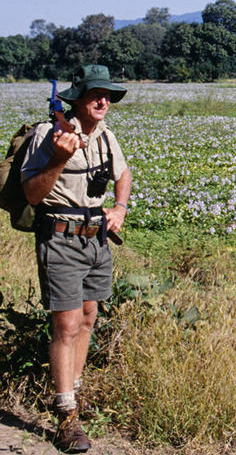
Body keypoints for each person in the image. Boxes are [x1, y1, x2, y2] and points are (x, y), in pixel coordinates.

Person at [21, 64, 131, 453]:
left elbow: (124, 173)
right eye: (95, 95)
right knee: (66, 326)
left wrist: (119, 207)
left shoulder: (105, 136)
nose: (104, 101)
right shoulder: (48, 136)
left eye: (108, 96)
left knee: (87, 318)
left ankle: (75, 394)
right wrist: (57, 160)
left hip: (97, 240)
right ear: (78, 98)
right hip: (61, 238)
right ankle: (66, 416)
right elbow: (33, 194)